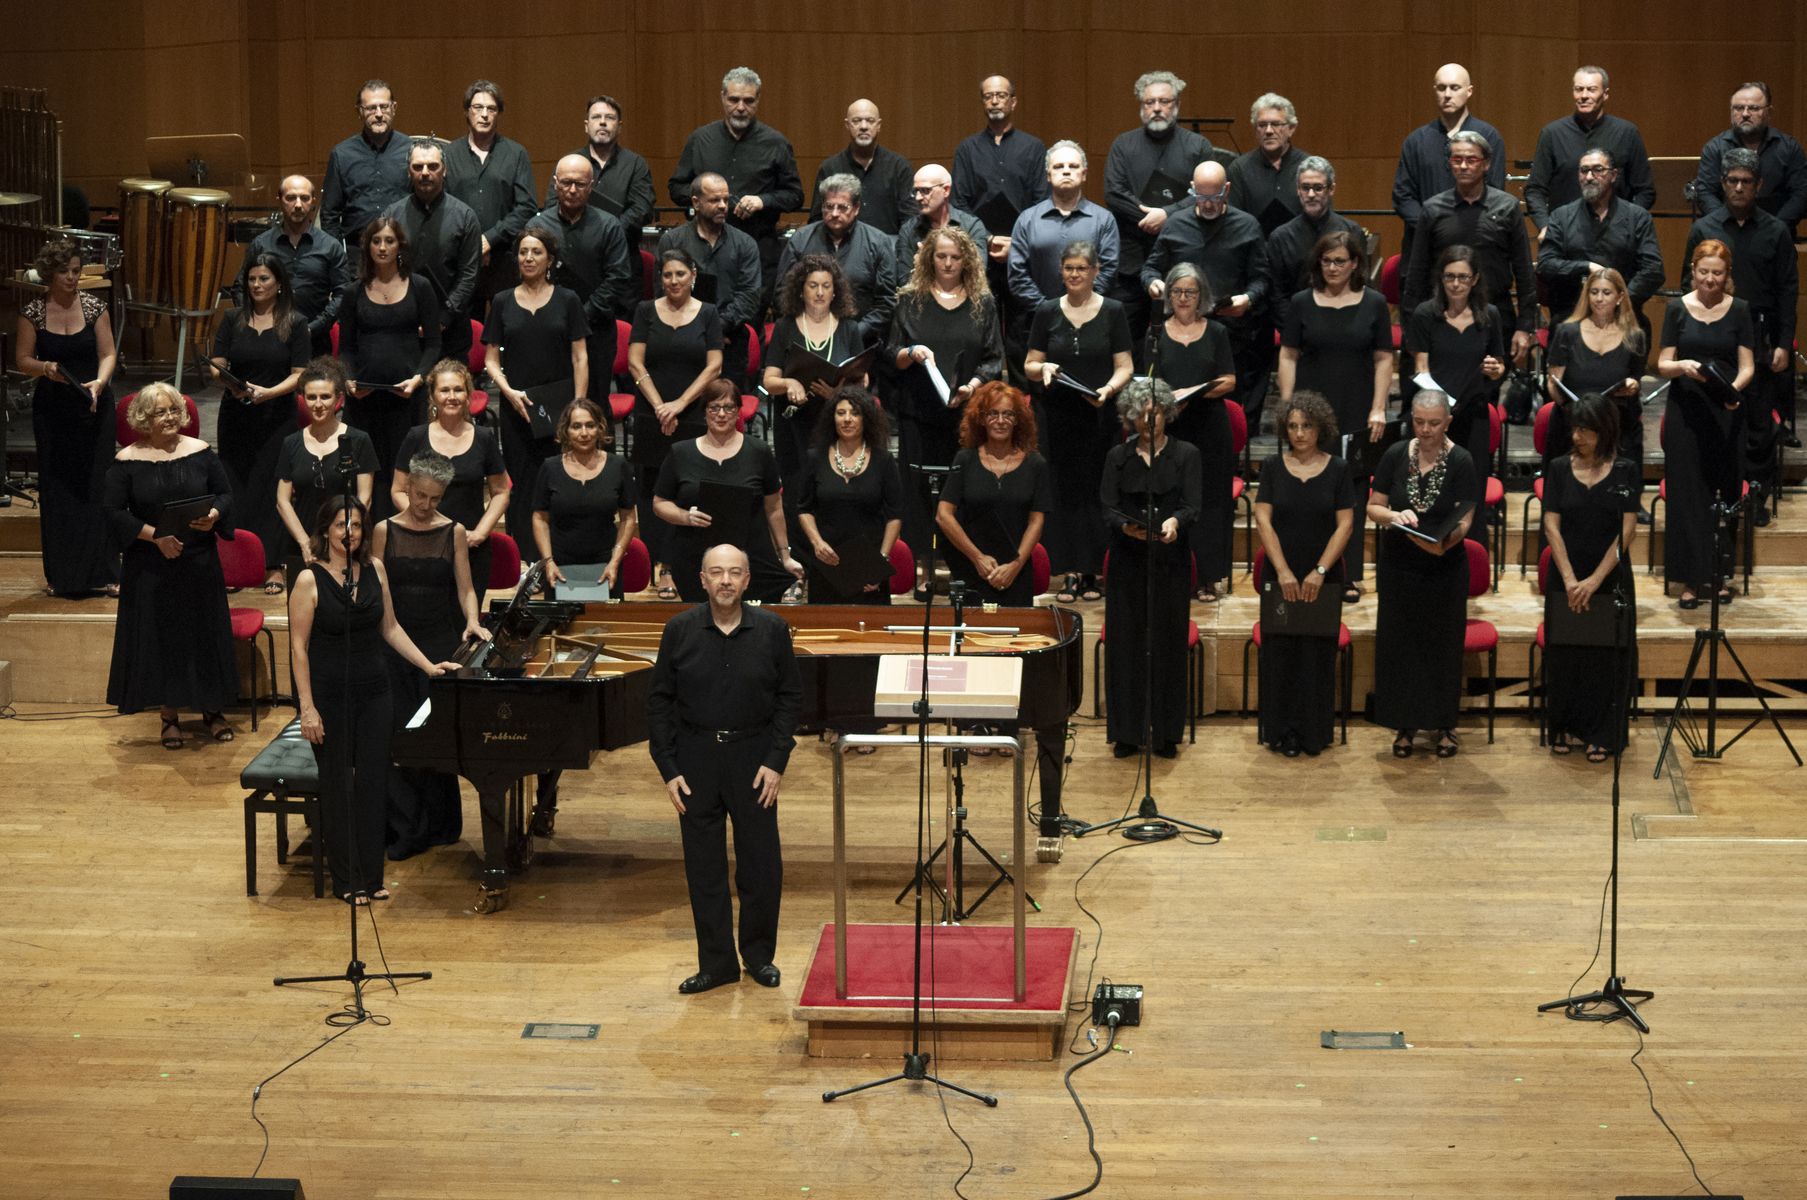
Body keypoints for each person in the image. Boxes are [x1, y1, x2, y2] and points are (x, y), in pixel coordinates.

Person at [647, 543, 801, 995]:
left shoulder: (772, 629)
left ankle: (759, 956)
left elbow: (790, 698)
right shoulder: (679, 630)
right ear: (703, 579)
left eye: (735, 572)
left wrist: (776, 761)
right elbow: (659, 702)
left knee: (761, 866)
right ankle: (716, 965)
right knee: (704, 868)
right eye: (717, 573)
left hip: (754, 760)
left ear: (747, 580)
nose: (726, 581)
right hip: (695, 759)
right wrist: (668, 767)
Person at [290, 495, 458, 903]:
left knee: (373, 782)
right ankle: (346, 880)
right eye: (340, 525)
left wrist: (429, 666)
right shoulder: (309, 580)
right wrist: (307, 708)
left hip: (376, 692)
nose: (348, 532)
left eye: (356, 525)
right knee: (338, 785)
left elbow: (391, 628)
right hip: (330, 696)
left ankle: (371, 876)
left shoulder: (375, 569)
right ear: (326, 530)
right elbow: (298, 648)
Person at [102, 383, 237, 748]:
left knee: (204, 636)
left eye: (174, 410)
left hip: (199, 561)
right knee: (162, 640)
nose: (169, 417)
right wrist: (155, 537)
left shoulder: (201, 451)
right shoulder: (127, 460)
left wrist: (213, 515)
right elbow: (113, 512)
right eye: (160, 412)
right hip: (151, 564)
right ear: (144, 419)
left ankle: (213, 710)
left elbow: (225, 494)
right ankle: (169, 716)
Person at [372, 450, 485, 859]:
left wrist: (472, 620)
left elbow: (466, 588)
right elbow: (378, 591)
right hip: (395, 644)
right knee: (399, 737)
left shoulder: (453, 531)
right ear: (408, 488)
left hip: (438, 645)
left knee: (434, 736)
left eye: (435, 498)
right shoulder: (384, 530)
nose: (425, 504)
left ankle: (441, 824)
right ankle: (408, 828)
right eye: (420, 495)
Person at [1277, 230, 1392, 597]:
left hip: (1356, 406)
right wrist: (1288, 405)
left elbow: (1383, 358)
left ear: (1355, 263)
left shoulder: (1374, 303)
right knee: (1310, 490)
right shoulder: (1301, 302)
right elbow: (1288, 355)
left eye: (1339, 261)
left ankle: (1349, 573)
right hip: (1311, 410)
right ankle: (1308, 567)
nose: (1332, 267)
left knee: (1351, 493)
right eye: (1326, 261)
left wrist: (1378, 407)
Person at [887, 227, 1005, 580]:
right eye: (941, 256)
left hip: (966, 412)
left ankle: (961, 565)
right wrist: (911, 351)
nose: (949, 263)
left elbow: (993, 359)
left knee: (963, 489)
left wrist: (971, 386)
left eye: (955, 257)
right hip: (918, 409)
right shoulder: (910, 299)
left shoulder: (983, 302)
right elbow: (891, 353)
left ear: (967, 260)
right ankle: (922, 565)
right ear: (930, 258)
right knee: (918, 490)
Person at [1367, 390, 1479, 760]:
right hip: (1400, 565)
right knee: (1401, 645)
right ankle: (1405, 724)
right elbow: (1374, 507)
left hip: (1444, 566)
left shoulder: (1461, 460)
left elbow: (1465, 519)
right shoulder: (1396, 454)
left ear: (1448, 422)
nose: (1426, 429)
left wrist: (1443, 545)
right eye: (1419, 422)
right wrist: (1394, 516)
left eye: (1433, 423)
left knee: (1441, 646)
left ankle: (1444, 725)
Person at [1683, 148, 1800, 490]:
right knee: (1712, 417)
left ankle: (1756, 497)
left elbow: (1787, 292)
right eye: (1732, 180)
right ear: (1722, 183)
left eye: (1746, 181)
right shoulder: (1704, 229)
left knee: (1759, 423)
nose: (1738, 187)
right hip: (1712, 337)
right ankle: (1715, 491)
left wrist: (1783, 344)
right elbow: (1687, 288)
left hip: (1760, 337)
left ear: (1758, 185)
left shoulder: (1777, 231)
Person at [1024, 240, 1135, 603]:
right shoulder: (1046, 310)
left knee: (1097, 490)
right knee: (1063, 491)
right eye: (1068, 268)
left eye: (1081, 268)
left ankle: (1093, 571)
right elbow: (1029, 364)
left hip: (1099, 413)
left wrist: (1108, 389)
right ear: (1061, 271)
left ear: (1095, 271)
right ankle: (1069, 571)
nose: (1074, 274)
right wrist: (1044, 367)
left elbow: (1125, 366)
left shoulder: (1113, 310)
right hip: (1057, 416)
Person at [1099, 378, 1201, 759]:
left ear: (1166, 414)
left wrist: (1174, 522)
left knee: (1167, 644)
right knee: (1125, 645)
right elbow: (1108, 507)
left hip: (1170, 561)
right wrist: (1125, 527)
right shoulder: (1118, 456)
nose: (1148, 420)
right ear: (1131, 417)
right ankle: (1127, 733)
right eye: (1141, 414)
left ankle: (1166, 734)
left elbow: (1192, 505)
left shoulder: (1187, 454)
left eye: (1155, 413)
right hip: (1127, 561)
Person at [16, 237, 119, 597]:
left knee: (98, 486)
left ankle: (105, 573)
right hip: (54, 411)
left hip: (93, 404)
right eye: (65, 272)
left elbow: (108, 354)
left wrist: (100, 383)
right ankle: (63, 576)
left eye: (76, 270)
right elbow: (22, 360)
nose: (72, 277)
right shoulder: (33, 312)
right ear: (49, 273)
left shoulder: (94, 307)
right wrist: (45, 368)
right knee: (58, 489)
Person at [1253, 391, 1355, 757]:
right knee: (1281, 655)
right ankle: (1282, 733)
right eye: (1293, 426)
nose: (1299, 433)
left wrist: (1320, 571)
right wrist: (1282, 571)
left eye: (1307, 426)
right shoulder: (1272, 467)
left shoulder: (1338, 469)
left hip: (1322, 577)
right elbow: (1263, 519)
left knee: (1316, 656)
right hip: (1281, 573)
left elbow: (1345, 525)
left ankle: (1314, 733)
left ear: (1320, 428)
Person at [1542, 393, 1640, 762]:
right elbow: (1551, 525)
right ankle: (1565, 726)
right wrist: (1570, 579)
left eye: (1585, 430)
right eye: (1575, 429)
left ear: (1605, 430)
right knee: (1566, 655)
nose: (1576, 437)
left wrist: (1595, 581)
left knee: (1606, 658)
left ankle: (1602, 733)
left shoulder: (1626, 470)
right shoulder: (1558, 468)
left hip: (1609, 577)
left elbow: (1626, 531)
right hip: (1566, 575)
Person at [1657, 239, 1754, 608]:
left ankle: (1718, 575)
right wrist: (1683, 366)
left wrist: (1731, 390)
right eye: (1703, 272)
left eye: (1717, 273)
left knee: (1724, 492)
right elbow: (1663, 363)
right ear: (1693, 271)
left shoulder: (1740, 309)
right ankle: (1690, 578)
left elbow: (1748, 367)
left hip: (1726, 408)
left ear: (1727, 274)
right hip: (1687, 409)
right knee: (1687, 494)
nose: (1710, 279)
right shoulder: (1676, 309)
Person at [209, 252, 310, 592]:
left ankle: (273, 566)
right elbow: (216, 364)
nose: (256, 284)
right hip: (236, 414)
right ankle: (235, 563)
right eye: (251, 279)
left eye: (263, 278)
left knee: (272, 488)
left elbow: (300, 374)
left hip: (276, 415)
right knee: (235, 485)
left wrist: (269, 393)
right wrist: (231, 384)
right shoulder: (232, 318)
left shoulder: (295, 322)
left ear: (279, 283)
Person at [482, 225, 590, 542]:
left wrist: (577, 406)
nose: (528, 258)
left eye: (536, 252)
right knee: (521, 479)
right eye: (523, 252)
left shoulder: (568, 300)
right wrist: (508, 392)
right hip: (517, 405)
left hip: (559, 407)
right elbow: (491, 360)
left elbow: (580, 357)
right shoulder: (502, 301)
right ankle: (524, 554)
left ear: (550, 259)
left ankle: (559, 549)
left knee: (559, 477)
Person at [1142, 160, 1271, 424]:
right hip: (1180, 334)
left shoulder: (1248, 226)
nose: (1208, 204)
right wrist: (1153, 282)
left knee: (1226, 414)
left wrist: (1248, 299)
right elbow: (1150, 268)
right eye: (1201, 197)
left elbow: (1261, 278)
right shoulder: (1175, 224)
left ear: (1227, 189)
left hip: (1229, 333)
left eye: (1215, 197)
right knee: (1174, 409)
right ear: (1192, 189)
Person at [653, 379, 802, 604]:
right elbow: (659, 503)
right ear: (704, 412)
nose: (721, 414)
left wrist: (785, 555)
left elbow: (774, 508)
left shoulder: (759, 451)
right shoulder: (680, 452)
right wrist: (685, 516)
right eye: (714, 407)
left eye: (729, 407)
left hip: (752, 556)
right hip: (695, 558)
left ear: (739, 411)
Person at [629, 249, 724, 596]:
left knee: (689, 489)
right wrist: (660, 407)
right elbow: (635, 362)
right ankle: (663, 567)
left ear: (693, 275)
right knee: (653, 490)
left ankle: (690, 563)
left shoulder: (708, 313)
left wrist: (680, 405)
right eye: (667, 275)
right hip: (651, 411)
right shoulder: (645, 310)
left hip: (694, 412)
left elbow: (714, 366)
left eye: (680, 274)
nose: (673, 281)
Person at [762, 254, 868, 556]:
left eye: (826, 286)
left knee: (833, 489)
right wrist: (789, 383)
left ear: (835, 291)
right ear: (801, 290)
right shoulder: (785, 326)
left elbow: (863, 379)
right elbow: (769, 379)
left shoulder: (849, 328)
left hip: (835, 423)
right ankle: (798, 562)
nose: (819, 292)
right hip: (794, 422)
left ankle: (834, 556)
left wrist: (838, 392)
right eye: (812, 286)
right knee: (797, 489)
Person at [1401, 131, 1536, 367]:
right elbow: (1416, 273)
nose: (1463, 166)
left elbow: (1524, 270)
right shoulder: (1432, 209)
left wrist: (1524, 327)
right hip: (1443, 316)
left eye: (1471, 160)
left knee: (1490, 386)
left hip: (1495, 313)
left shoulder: (1507, 206)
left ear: (1486, 164)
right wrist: (1412, 329)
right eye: (1457, 159)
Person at [337, 214, 441, 519]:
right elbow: (346, 348)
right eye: (376, 241)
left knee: (405, 469)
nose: (382, 247)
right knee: (364, 473)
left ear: (400, 246)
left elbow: (434, 344)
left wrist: (418, 378)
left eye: (389, 241)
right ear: (367, 247)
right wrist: (349, 380)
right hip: (364, 399)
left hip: (407, 398)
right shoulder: (353, 292)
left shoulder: (420, 286)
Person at [1103, 70, 1215, 343]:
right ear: (1141, 106)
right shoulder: (1123, 145)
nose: (1156, 108)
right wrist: (1149, 217)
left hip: (1182, 258)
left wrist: (1167, 215)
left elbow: (1206, 194)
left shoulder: (1198, 146)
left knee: (1183, 338)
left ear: (1177, 105)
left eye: (1164, 101)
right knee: (1127, 339)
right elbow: (1114, 193)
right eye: (1149, 102)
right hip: (1131, 261)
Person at [668, 67, 803, 295]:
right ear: (722, 97)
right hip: (704, 250)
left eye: (748, 101)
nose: (741, 107)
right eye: (734, 99)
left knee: (752, 313)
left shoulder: (776, 143)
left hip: (757, 248)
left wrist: (763, 201)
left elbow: (795, 195)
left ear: (757, 100)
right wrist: (705, 200)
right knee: (704, 311)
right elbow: (676, 188)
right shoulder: (700, 140)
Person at [1146, 262, 1236, 601]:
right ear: (1168, 295)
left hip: (1210, 427)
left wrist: (1193, 392)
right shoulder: (1155, 333)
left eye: (1190, 292)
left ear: (1201, 296)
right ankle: (1175, 572)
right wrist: (1168, 401)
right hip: (1170, 427)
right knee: (1172, 497)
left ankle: (1208, 576)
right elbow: (1147, 381)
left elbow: (1229, 380)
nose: (1183, 298)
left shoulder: (1217, 332)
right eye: (1177, 291)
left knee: (1210, 501)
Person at [390, 359, 508, 592]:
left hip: (471, 546)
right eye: (444, 390)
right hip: (423, 544)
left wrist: (480, 533)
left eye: (458, 390)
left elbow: (501, 492)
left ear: (468, 395)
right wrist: (426, 524)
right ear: (433, 396)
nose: (451, 397)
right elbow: (398, 490)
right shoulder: (416, 436)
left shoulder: (484, 438)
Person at [935, 382, 1053, 607]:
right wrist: (977, 557)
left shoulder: (1035, 464)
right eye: (993, 414)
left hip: (1015, 574)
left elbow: (1036, 522)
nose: (1000, 420)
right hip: (971, 569)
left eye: (1008, 414)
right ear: (981, 418)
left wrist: (1015, 566)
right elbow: (943, 515)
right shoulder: (965, 459)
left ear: (1017, 419)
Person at [1404, 245, 1506, 505]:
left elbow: (1499, 365)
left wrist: (1496, 370)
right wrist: (1441, 409)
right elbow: (1421, 368)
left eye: (1463, 277)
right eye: (1450, 276)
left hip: (1474, 411)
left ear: (1475, 279)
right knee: (1433, 486)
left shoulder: (1490, 315)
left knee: (1471, 486)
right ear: (1441, 278)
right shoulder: (1425, 314)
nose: (1456, 284)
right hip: (1434, 416)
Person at [527, 154, 635, 387]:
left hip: (597, 331)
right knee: (552, 398)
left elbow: (618, 277)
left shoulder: (609, 225)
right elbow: (529, 277)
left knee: (595, 402)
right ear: (555, 183)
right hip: (548, 330)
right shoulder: (537, 226)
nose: (572, 190)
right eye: (566, 183)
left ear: (591, 186)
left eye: (580, 184)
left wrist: (581, 316)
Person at [1392, 64, 1508, 267]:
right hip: (1424, 251)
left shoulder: (1489, 137)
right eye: (1441, 88)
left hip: (1476, 250)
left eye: (1455, 88)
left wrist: (1456, 230)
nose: (1447, 94)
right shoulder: (1415, 141)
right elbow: (1403, 196)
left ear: (1469, 91)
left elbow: (1495, 192)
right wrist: (1434, 228)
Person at [796, 386, 902, 605]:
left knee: (870, 625)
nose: (847, 419)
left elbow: (895, 515)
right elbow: (804, 508)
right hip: (827, 560)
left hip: (868, 563)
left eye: (855, 413)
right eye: (841, 413)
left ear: (866, 419)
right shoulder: (815, 458)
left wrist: (880, 561)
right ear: (832, 418)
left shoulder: (883, 460)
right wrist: (817, 543)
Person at [275, 359, 378, 582]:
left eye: (325, 396)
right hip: (303, 543)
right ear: (303, 399)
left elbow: (365, 498)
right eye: (311, 397)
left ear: (338, 399)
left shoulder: (359, 440)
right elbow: (282, 501)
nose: (318, 404)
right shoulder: (291, 443)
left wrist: (344, 535)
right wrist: (304, 542)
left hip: (347, 542)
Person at [444, 80, 538, 322]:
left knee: (508, 327)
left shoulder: (516, 153)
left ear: (499, 114)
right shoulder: (449, 154)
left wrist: (489, 239)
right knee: (465, 329)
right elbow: (443, 207)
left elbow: (526, 207)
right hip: (461, 259)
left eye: (491, 109)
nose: (484, 114)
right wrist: (472, 244)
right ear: (467, 111)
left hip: (505, 259)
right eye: (478, 107)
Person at [656, 172, 762, 387]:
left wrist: (714, 329)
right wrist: (696, 332)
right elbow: (663, 293)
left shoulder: (745, 243)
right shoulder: (672, 241)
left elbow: (749, 296)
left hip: (730, 341)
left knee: (726, 404)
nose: (723, 206)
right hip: (680, 340)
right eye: (715, 200)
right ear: (696, 202)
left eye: (726, 199)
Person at [382, 139, 483, 365]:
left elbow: (469, 275)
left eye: (433, 166)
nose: (425, 172)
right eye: (418, 167)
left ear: (444, 170)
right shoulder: (392, 216)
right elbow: (383, 269)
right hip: (403, 329)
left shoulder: (465, 217)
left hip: (452, 330)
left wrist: (443, 319)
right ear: (409, 171)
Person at [1535, 148, 1663, 323]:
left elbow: (1653, 270)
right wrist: (1586, 267)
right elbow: (1546, 265)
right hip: (1570, 318)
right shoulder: (1561, 216)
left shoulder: (1638, 217)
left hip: (1624, 318)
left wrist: (1619, 302)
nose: (1589, 177)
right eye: (1584, 170)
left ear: (1613, 175)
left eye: (1597, 169)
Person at [1525, 66, 1655, 232]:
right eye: (1579, 89)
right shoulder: (1552, 134)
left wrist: (1629, 225)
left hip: (1616, 234)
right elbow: (1535, 190)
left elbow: (1645, 190)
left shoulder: (1627, 133)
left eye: (1592, 90)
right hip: (1565, 233)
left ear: (1605, 94)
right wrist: (1545, 226)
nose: (1584, 95)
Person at [775, 174, 899, 346]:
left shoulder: (878, 242)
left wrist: (854, 334)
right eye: (829, 206)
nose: (834, 213)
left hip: (862, 341)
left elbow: (886, 302)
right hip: (806, 340)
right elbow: (782, 293)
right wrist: (807, 329)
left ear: (856, 208)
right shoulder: (801, 239)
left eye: (842, 207)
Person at [532, 398, 638, 596]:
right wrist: (548, 562)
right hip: (559, 565)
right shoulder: (550, 467)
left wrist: (615, 561)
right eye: (576, 426)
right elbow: (540, 518)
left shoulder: (618, 465)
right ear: (566, 431)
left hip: (606, 565)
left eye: (590, 425)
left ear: (600, 428)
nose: (584, 433)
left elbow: (628, 518)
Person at [231, 176, 347, 355]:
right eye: (291, 198)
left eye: (305, 198)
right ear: (279, 199)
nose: (298, 205)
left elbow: (343, 294)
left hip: (315, 343)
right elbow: (240, 288)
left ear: (313, 201)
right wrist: (257, 323)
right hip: (267, 341)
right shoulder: (261, 244)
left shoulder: (331, 246)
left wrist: (313, 328)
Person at [1546, 267, 1646, 468]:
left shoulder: (1634, 336)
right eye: (1594, 292)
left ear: (1619, 297)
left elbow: (1636, 378)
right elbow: (1553, 383)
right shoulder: (1567, 332)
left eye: (1606, 293)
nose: (1599, 298)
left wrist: (1633, 385)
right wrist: (1575, 414)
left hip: (1617, 426)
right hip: (1574, 425)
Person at [1007, 141, 1120, 318]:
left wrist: (1080, 307)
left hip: (1090, 319)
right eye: (1059, 166)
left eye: (1073, 166)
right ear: (1048, 175)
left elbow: (1108, 272)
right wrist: (1048, 311)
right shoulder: (1026, 220)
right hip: (1037, 321)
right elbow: (1017, 275)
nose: (1066, 171)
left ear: (1084, 174)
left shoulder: (1104, 220)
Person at [548, 95, 658, 266]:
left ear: (619, 127)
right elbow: (552, 205)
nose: (602, 122)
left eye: (610, 118)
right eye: (596, 117)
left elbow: (641, 210)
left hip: (622, 259)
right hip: (573, 259)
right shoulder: (569, 162)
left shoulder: (636, 164)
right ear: (586, 126)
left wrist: (606, 234)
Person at [952, 75, 1050, 266]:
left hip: (1025, 248)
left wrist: (1017, 242)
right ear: (983, 103)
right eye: (988, 96)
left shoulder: (1034, 147)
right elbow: (958, 203)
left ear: (1013, 102)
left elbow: (1042, 201)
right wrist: (986, 238)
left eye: (1001, 95)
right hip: (977, 249)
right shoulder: (967, 149)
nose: (994, 101)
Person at [1692, 82, 1807, 237]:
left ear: (1769, 112)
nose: (1745, 114)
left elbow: (1801, 193)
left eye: (1753, 108)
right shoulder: (1715, 148)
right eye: (1738, 108)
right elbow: (1705, 192)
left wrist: (1776, 229)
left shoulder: (1789, 148)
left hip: (1776, 236)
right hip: (1724, 235)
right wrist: (1725, 225)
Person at [1265, 156, 1362, 332]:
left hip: (1345, 327)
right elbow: (1277, 296)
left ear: (1331, 189)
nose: (1310, 195)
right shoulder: (1280, 237)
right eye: (1305, 187)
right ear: (1298, 190)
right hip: (1298, 331)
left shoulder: (1352, 232)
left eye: (1318, 188)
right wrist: (1296, 331)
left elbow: (1359, 284)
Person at [321, 79, 410, 251]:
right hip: (357, 251)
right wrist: (337, 256)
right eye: (371, 108)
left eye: (384, 107)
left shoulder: (410, 150)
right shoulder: (341, 154)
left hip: (402, 250)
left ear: (394, 108)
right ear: (359, 112)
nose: (379, 114)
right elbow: (329, 215)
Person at [808, 100, 915, 235]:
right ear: (847, 125)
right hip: (841, 246)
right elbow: (817, 220)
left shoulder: (899, 167)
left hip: (889, 245)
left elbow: (910, 220)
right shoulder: (830, 168)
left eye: (870, 121)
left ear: (878, 125)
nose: (863, 126)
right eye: (857, 121)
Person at [894, 164, 991, 282]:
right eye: (916, 191)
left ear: (946, 190)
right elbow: (904, 280)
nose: (918, 197)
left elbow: (977, 276)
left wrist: (925, 265)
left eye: (925, 190)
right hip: (922, 294)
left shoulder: (971, 226)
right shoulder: (909, 230)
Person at [1228, 93, 1308, 235]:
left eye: (1276, 124)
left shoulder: (1309, 167)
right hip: (1253, 245)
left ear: (1291, 128)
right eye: (1262, 125)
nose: (1269, 131)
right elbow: (1234, 222)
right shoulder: (1239, 169)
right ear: (1256, 130)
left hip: (1299, 245)